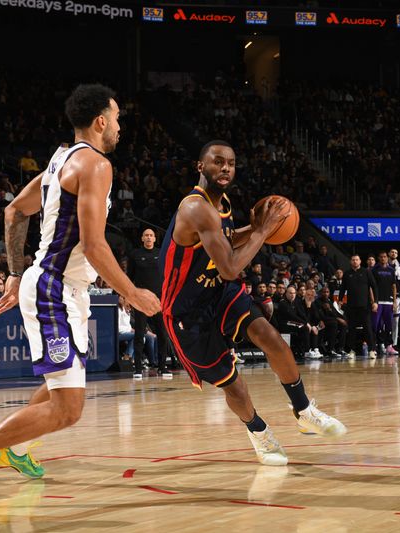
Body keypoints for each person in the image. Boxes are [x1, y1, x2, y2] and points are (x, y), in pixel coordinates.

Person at [0, 84, 161, 509]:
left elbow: (14, 210)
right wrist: (131, 292)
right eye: (118, 118)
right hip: (55, 289)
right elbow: (93, 245)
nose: (121, 127)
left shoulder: (58, 161)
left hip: (61, 288)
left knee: (61, 390)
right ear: (101, 121)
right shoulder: (95, 164)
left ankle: (13, 448)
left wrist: (17, 273)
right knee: (70, 408)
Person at [159, 140, 346, 467]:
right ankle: (258, 432)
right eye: (217, 162)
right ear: (200, 167)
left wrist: (257, 229)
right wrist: (262, 231)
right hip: (187, 314)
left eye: (230, 163)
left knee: (270, 337)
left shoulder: (224, 204)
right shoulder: (195, 207)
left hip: (218, 292)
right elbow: (231, 265)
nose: (225, 168)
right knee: (235, 386)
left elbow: (226, 244)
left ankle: (303, 410)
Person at [127, 227, 172, 378]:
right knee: (140, 334)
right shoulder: (135, 255)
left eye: (151, 235)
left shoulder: (161, 254)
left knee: (162, 334)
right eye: (146, 235)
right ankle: (138, 369)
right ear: (142, 238)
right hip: (141, 301)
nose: (148, 238)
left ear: (154, 238)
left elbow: (167, 276)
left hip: (159, 301)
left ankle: (162, 367)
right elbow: (129, 277)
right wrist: (129, 297)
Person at [342, 254, 378, 359]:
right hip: (351, 306)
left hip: (365, 306)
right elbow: (343, 288)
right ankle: (352, 350)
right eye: (353, 260)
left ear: (360, 261)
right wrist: (340, 300)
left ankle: (372, 350)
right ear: (350, 262)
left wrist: (375, 301)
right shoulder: (347, 274)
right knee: (352, 329)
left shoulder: (366, 272)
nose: (355, 261)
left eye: (356, 260)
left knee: (367, 328)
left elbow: (374, 286)